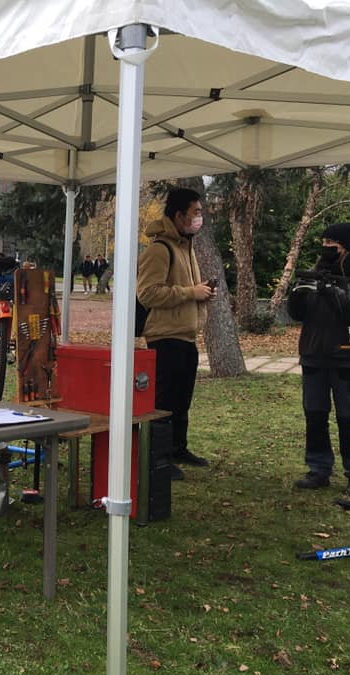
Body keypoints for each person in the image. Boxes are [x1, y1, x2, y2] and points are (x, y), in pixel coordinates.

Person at [136, 187, 216, 474]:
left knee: (182, 401)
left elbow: (184, 289)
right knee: (164, 402)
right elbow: (147, 293)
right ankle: (158, 457)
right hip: (165, 337)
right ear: (179, 214)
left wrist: (201, 293)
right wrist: (189, 292)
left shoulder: (186, 246)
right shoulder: (160, 249)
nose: (199, 218)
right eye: (195, 212)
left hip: (186, 336)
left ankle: (177, 448)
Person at [287, 223, 350, 497]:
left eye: (332, 242)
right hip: (313, 354)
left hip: (346, 356)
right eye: (324, 241)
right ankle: (319, 469)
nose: (326, 246)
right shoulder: (315, 269)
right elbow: (297, 314)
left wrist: (332, 289)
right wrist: (298, 293)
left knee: (349, 418)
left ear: (345, 245)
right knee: (315, 416)